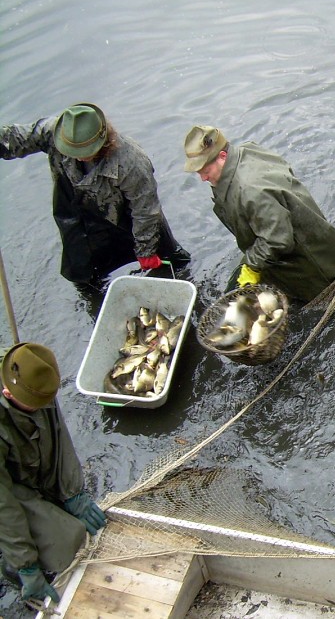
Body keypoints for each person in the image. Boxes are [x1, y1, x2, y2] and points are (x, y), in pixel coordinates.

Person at [1, 103, 190, 290]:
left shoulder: (131, 161)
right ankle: (96, 298)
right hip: (77, 217)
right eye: (72, 151)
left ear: (104, 140)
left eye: (85, 152)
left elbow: (145, 211)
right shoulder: (55, 132)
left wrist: (146, 250)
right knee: (83, 274)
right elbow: (14, 138)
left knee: (170, 260)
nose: (78, 157)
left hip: (124, 217)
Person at [183, 125, 335, 303]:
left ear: (222, 156)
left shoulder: (250, 190)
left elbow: (278, 239)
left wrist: (252, 266)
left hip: (310, 263)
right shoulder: (247, 151)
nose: (203, 178)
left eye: (206, 171)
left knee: (331, 299)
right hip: (317, 236)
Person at [0, 343, 106, 606]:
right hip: (6, 489)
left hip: (26, 461)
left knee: (75, 519)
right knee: (68, 543)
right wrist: (25, 564)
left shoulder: (32, 372)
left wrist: (72, 492)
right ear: (7, 393)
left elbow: (57, 433)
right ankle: (13, 568)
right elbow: (3, 504)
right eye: (34, 405)